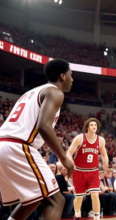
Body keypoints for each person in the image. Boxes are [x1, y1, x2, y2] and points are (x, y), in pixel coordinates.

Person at [0, 59, 74, 220]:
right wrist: (63, 158)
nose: (72, 79)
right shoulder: (55, 92)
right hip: (18, 145)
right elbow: (44, 126)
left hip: (4, 144)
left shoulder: (30, 93)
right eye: (70, 75)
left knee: (33, 198)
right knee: (56, 201)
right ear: (62, 76)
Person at [66, 118, 109, 220]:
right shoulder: (80, 138)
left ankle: (97, 217)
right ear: (87, 127)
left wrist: (105, 166)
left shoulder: (101, 140)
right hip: (79, 171)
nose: (94, 126)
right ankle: (77, 213)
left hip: (93, 171)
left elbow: (104, 155)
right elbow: (69, 152)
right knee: (79, 197)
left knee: (95, 194)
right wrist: (71, 164)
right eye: (92, 125)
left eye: (95, 125)